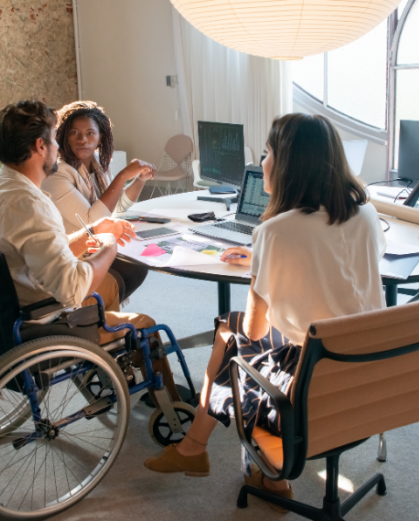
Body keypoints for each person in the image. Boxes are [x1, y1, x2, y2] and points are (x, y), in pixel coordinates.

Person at [142, 113, 387, 509]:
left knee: (233, 333)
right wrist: (268, 262)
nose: (261, 163)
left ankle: (198, 449)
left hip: (312, 377)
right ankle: (212, 455)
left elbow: (255, 330)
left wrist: (265, 263)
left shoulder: (275, 232)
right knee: (231, 330)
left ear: (289, 164)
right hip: (369, 365)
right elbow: (341, 271)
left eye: (267, 153)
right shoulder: (367, 214)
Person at [0, 99, 150, 338]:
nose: (58, 147)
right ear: (40, 146)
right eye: (55, 139)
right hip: (44, 323)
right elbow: (72, 290)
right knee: (146, 324)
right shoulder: (30, 203)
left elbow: (42, 248)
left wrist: (92, 232)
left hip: (3, 314)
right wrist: (109, 244)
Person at [42, 100, 155, 304]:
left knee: (139, 258)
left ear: (100, 137)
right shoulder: (58, 174)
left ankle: (103, 313)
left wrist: (139, 179)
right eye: (74, 133)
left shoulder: (97, 166)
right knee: (129, 264)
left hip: (93, 246)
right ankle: (96, 314)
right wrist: (123, 176)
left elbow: (116, 206)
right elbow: (93, 220)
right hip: (71, 256)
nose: (82, 139)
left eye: (90, 133)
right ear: (64, 135)